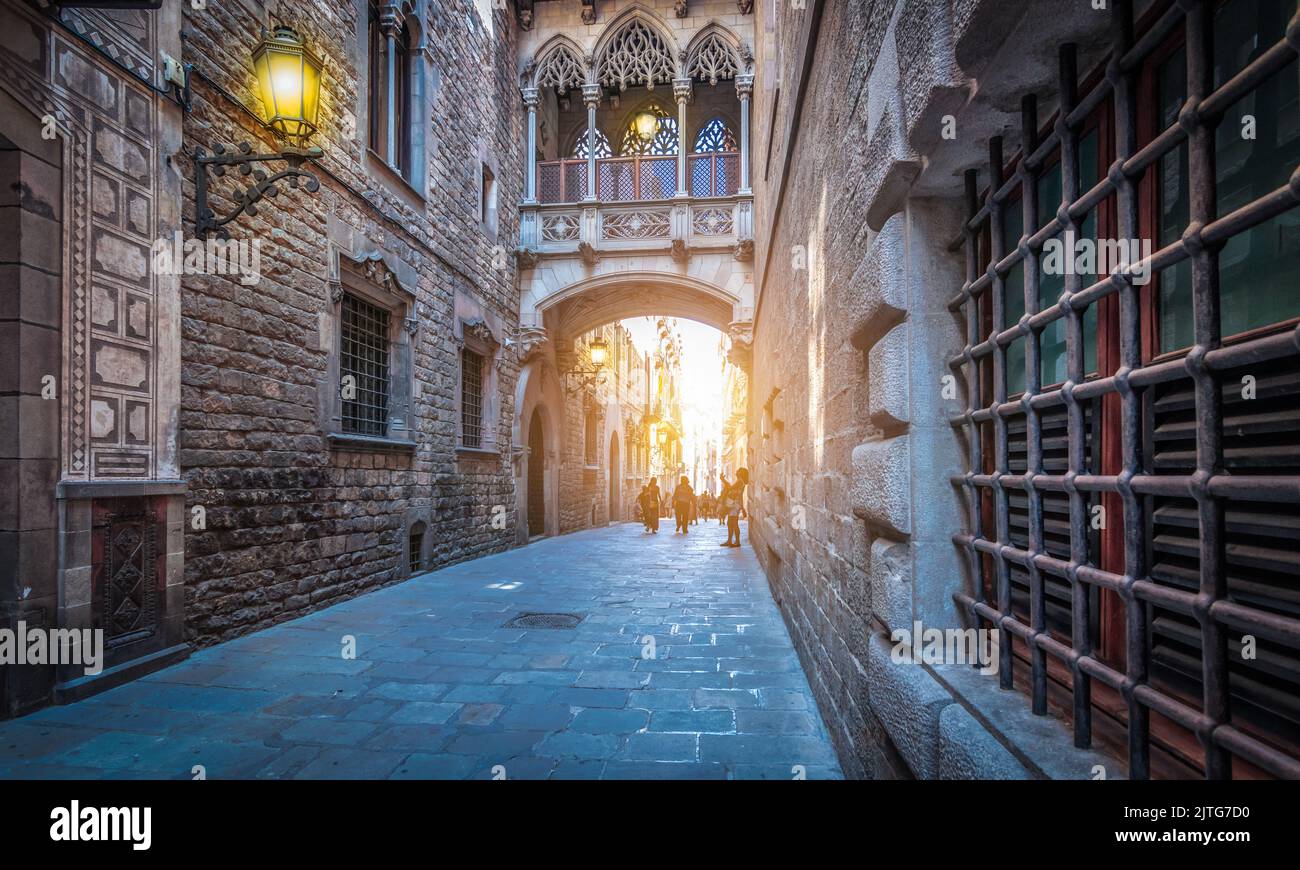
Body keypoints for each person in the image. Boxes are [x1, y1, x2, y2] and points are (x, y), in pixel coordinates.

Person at [718, 467, 749, 548]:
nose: (736, 471)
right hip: (735, 504)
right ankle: (730, 540)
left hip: (735, 504)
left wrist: (723, 480)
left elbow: (729, 487)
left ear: (740, 473)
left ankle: (737, 541)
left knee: (734, 523)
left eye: (738, 470)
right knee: (729, 523)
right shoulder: (740, 481)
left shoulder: (739, 481)